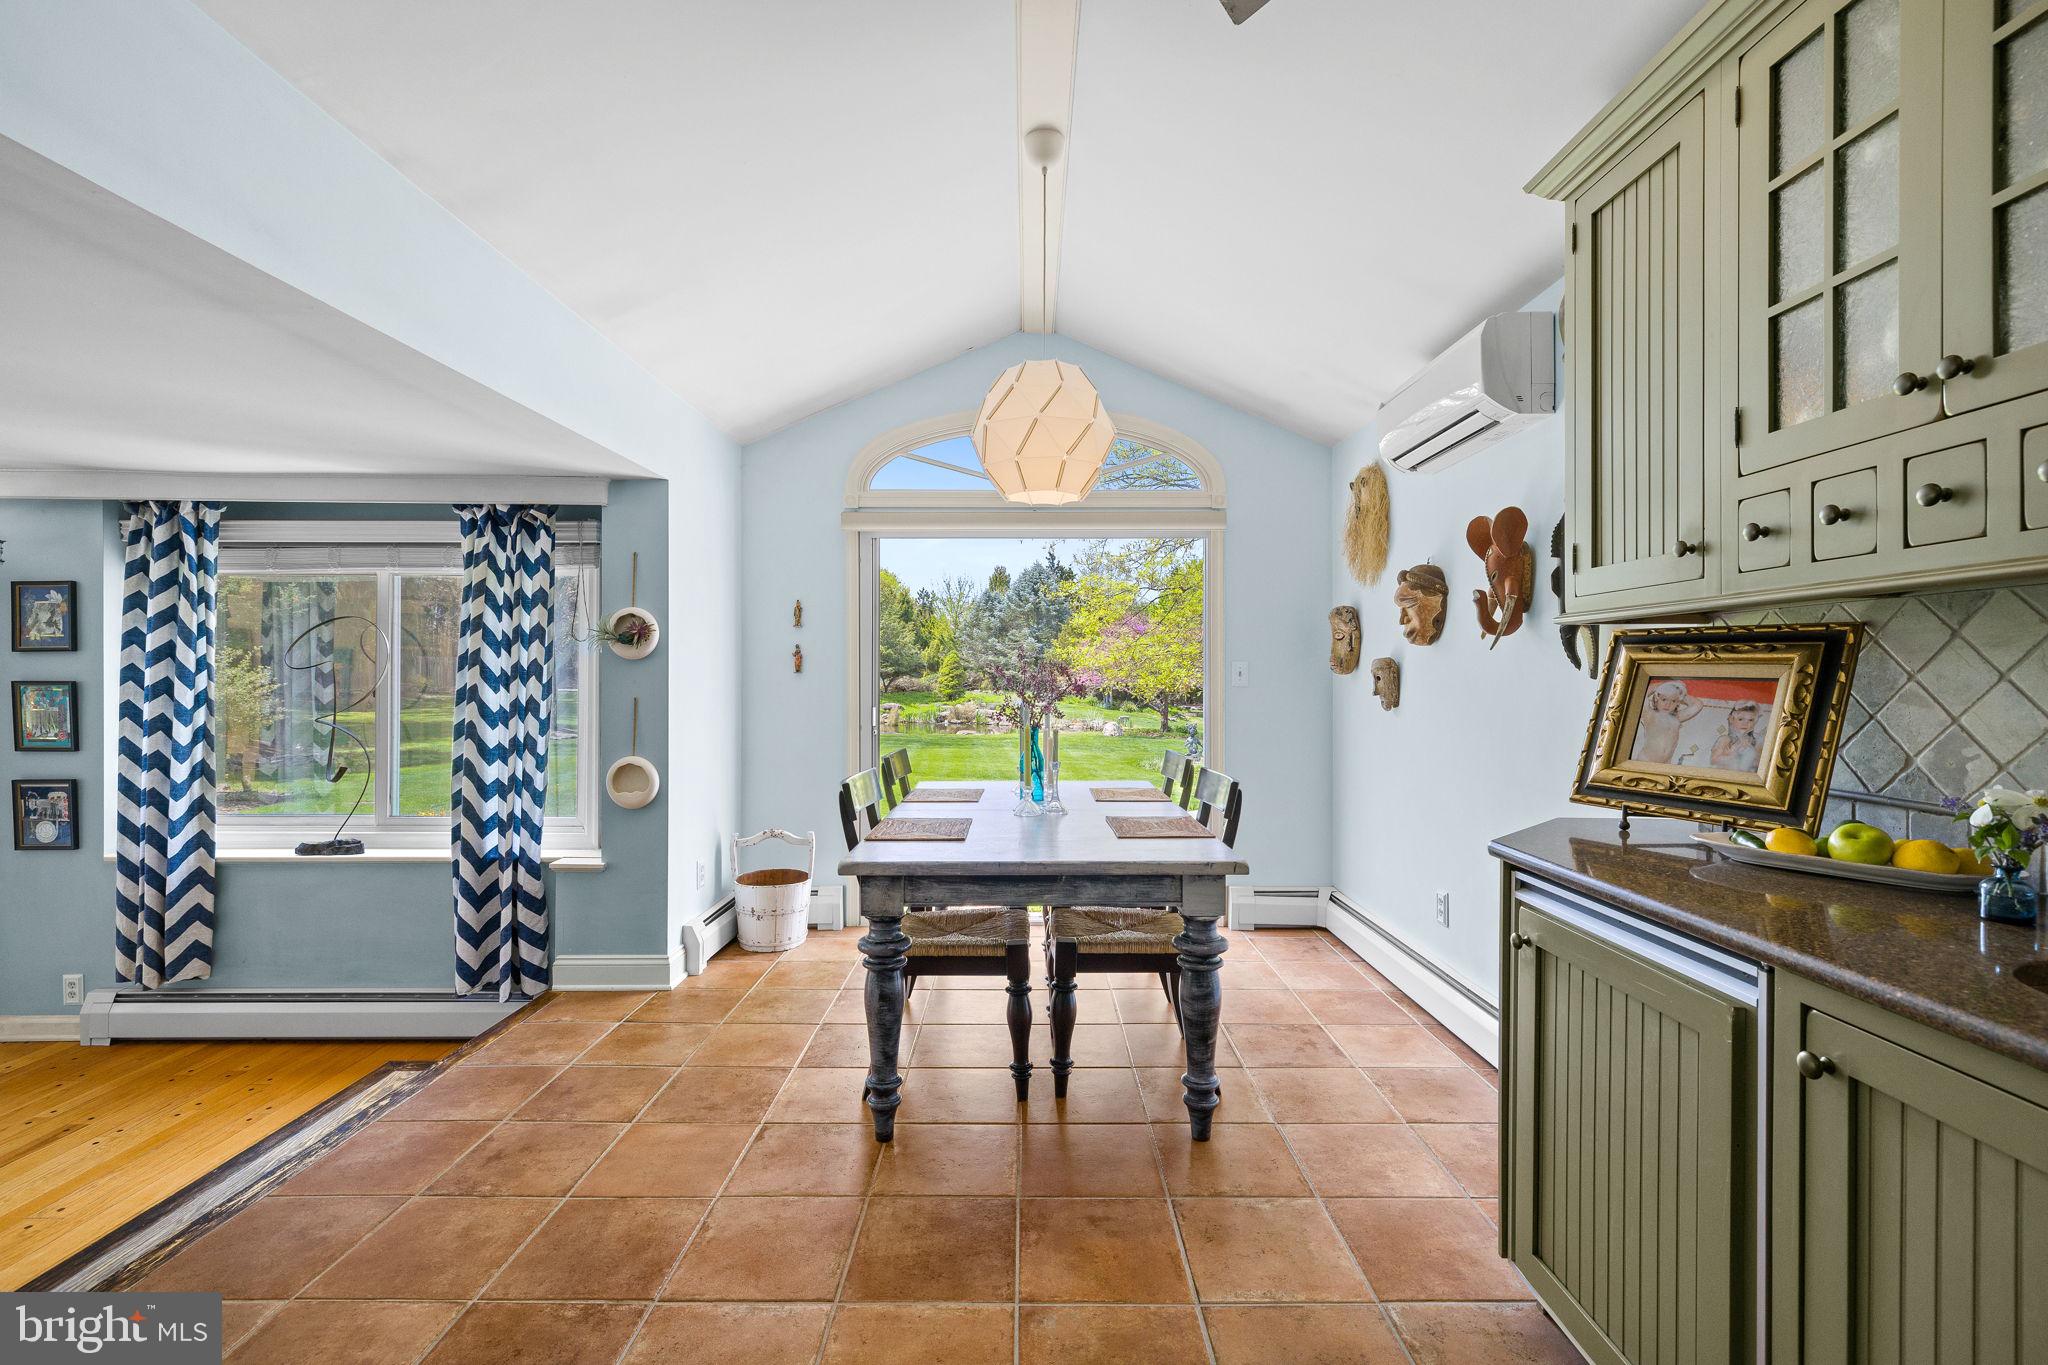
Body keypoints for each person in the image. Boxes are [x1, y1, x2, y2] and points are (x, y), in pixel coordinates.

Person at [1633, 680, 1702, 764]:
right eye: (1664, 699)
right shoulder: (1650, 714)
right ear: (1656, 699)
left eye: (1673, 701)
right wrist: (1664, 685)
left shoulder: (1677, 718)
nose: (1668, 704)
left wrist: (1679, 693)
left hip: (1665, 764)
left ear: (1677, 703)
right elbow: (1642, 693)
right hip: (1646, 761)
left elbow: (1698, 704)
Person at [1710, 700, 1764, 773]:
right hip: (1728, 775)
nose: (1745, 723)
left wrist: (1755, 756)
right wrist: (1731, 754)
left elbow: (1762, 763)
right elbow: (1713, 760)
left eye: (1750, 720)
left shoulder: (1757, 740)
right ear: (1732, 719)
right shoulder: (1725, 739)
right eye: (1740, 719)